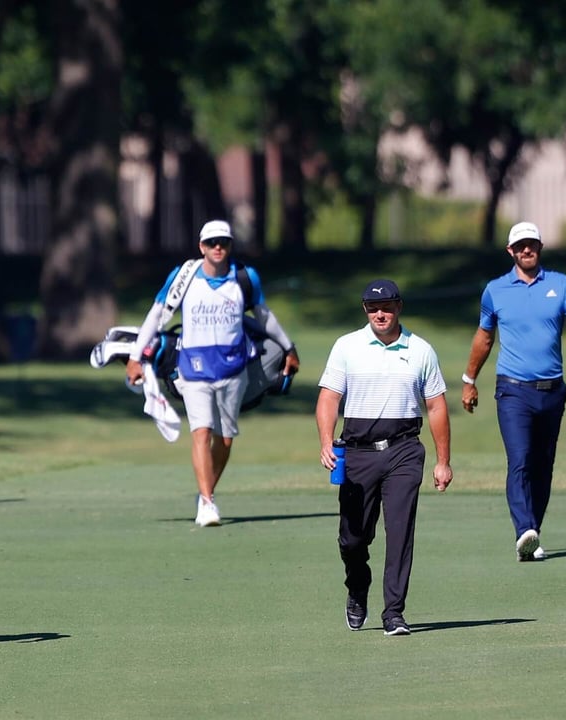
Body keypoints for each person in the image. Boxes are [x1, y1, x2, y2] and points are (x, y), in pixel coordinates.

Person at [125, 220, 300, 527]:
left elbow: (263, 315)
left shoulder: (245, 278)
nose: (217, 247)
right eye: (211, 243)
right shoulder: (184, 277)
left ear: (230, 245)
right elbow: (157, 314)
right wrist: (136, 357)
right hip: (193, 369)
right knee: (201, 432)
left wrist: (289, 347)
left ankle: (206, 493)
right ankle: (207, 503)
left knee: (226, 439)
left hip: (234, 370)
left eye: (223, 242)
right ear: (201, 247)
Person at [317, 279, 453, 636]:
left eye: (388, 307)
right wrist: (325, 442)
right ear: (365, 310)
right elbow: (329, 398)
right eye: (374, 308)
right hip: (358, 453)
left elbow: (436, 406)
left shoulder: (421, 350)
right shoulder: (347, 346)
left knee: (400, 531)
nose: (381, 313)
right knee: (353, 539)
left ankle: (394, 612)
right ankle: (357, 587)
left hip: (404, 450)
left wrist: (443, 460)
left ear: (399, 308)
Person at [460, 221, 566, 562]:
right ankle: (524, 529)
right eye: (520, 245)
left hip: (552, 391)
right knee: (520, 459)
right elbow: (484, 337)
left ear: (539, 247)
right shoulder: (495, 290)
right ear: (510, 251)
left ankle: (532, 533)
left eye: (532, 244)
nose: (526, 250)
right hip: (513, 390)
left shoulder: (560, 284)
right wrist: (469, 379)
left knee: (543, 464)